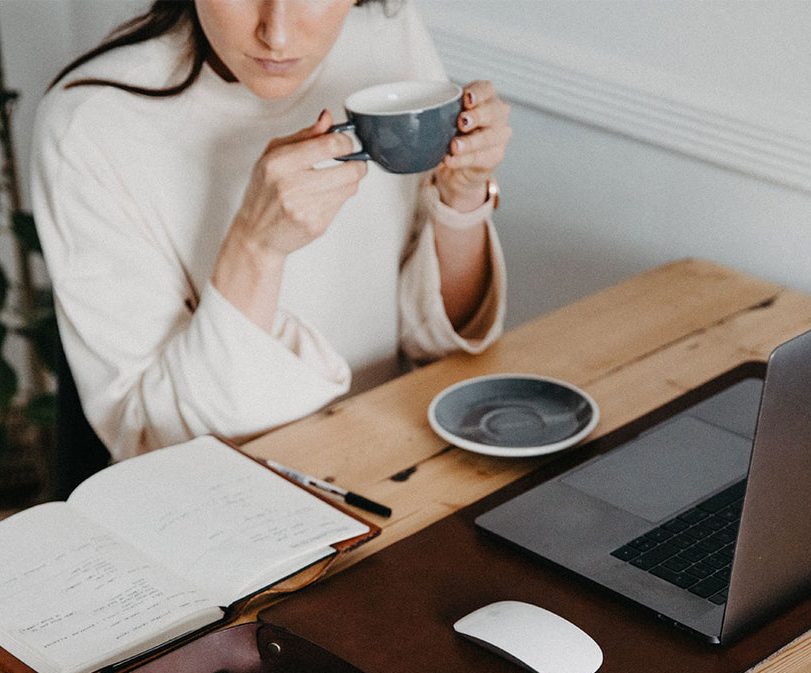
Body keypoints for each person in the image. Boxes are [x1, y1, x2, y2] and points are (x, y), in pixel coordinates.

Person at [32, 0, 512, 463]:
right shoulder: (91, 124)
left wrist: (461, 196)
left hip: (395, 459)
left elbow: (439, 344)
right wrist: (255, 248)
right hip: (228, 506)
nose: (276, 34)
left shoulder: (384, 34)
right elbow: (150, 442)